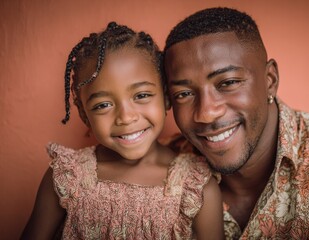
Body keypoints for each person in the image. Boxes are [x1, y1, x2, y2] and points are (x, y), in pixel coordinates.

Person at [163, 7, 309, 239]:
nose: (206, 114)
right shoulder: (159, 172)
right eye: (184, 94)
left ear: (270, 81)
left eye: (228, 82)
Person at [21, 22, 224, 240]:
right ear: (84, 116)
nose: (126, 118)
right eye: (103, 105)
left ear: (166, 97)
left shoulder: (196, 187)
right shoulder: (66, 177)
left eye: (141, 95)